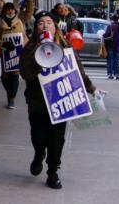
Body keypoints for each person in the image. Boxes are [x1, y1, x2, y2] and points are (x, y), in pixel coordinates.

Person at [20, 11, 96, 190]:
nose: (45, 25)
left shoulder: (66, 46)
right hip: (38, 102)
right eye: (41, 23)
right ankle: (39, 154)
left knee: (57, 139)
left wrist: (90, 87)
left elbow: (78, 70)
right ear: (36, 28)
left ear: (56, 27)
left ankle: (52, 171)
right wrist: (39, 59)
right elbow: (25, 74)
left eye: (49, 22)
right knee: (38, 137)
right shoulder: (29, 48)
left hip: (61, 102)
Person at [0, 2, 28, 109]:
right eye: (7, 9)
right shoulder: (0, 24)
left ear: (15, 10)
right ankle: (10, 93)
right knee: (5, 78)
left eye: (11, 9)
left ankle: (12, 99)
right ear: (4, 11)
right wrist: (3, 44)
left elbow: (29, 12)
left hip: (18, 52)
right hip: (6, 53)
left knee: (15, 76)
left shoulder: (20, 20)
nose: (10, 11)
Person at [103, 15, 119, 79]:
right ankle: (117, 74)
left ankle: (110, 74)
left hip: (110, 45)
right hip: (118, 46)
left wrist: (103, 35)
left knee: (110, 60)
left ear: (112, 19)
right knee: (116, 60)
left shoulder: (110, 26)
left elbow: (106, 35)